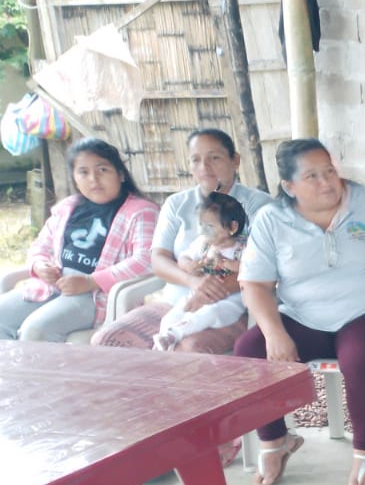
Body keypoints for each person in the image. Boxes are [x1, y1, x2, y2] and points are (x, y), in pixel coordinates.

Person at [234, 139, 365, 485]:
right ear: (289, 186)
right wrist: (274, 333)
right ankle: (275, 441)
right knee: (249, 350)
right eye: (312, 176)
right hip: (304, 316)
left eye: (329, 171)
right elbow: (255, 284)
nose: (326, 182)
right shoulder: (272, 219)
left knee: (362, 358)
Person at [92, 128, 273, 353]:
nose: (204, 167)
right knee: (107, 340)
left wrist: (210, 291)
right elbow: (158, 260)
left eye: (214, 158)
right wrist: (193, 282)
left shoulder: (259, 206)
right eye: (196, 160)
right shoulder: (177, 204)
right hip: (177, 302)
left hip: (233, 307)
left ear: (234, 160)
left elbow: (264, 268)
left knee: (188, 349)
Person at [0, 139, 157, 342]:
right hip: (51, 286)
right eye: (83, 172)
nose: (93, 179)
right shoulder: (68, 207)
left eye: (102, 170)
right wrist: (39, 265)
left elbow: (146, 259)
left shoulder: (141, 211)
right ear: (74, 178)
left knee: (36, 329)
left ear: (120, 174)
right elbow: (41, 245)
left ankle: (40, 365)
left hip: (96, 296)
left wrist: (91, 281)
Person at [155, 192, 250, 351]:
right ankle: (164, 341)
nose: (204, 231)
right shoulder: (203, 244)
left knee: (209, 313)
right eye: (202, 225)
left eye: (210, 226)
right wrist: (189, 265)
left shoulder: (242, 248)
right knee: (171, 316)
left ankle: (174, 334)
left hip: (230, 302)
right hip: (196, 293)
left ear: (232, 227)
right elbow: (183, 257)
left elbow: (249, 269)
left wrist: (225, 263)